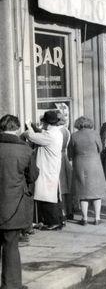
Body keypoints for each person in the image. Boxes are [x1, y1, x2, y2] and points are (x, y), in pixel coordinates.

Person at [0, 115, 39, 289]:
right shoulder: (25, 150)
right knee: (11, 246)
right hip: (13, 205)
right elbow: (32, 176)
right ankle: (12, 285)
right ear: (16, 129)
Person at [25, 110, 64, 231]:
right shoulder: (56, 132)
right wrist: (35, 127)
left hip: (47, 168)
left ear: (46, 123)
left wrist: (28, 127)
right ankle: (58, 220)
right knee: (52, 195)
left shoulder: (49, 135)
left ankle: (53, 222)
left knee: (47, 197)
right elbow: (42, 133)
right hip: (51, 167)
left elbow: (31, 136)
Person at [68, 117, 106, 226]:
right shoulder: (95, 134)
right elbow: (101, 148)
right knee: (96, 192)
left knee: (82, 193)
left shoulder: (74, 135)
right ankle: (97, 218)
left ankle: (84, 218)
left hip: (80, 164)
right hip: (94, 164)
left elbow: (70, 153)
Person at [56, 111, 73, 222]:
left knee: (60, 186)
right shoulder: (66, 130)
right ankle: (69, 210)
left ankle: (62, 211)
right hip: (65, 157)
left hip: (57, 158)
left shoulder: (56, 131)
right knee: (67, 186)